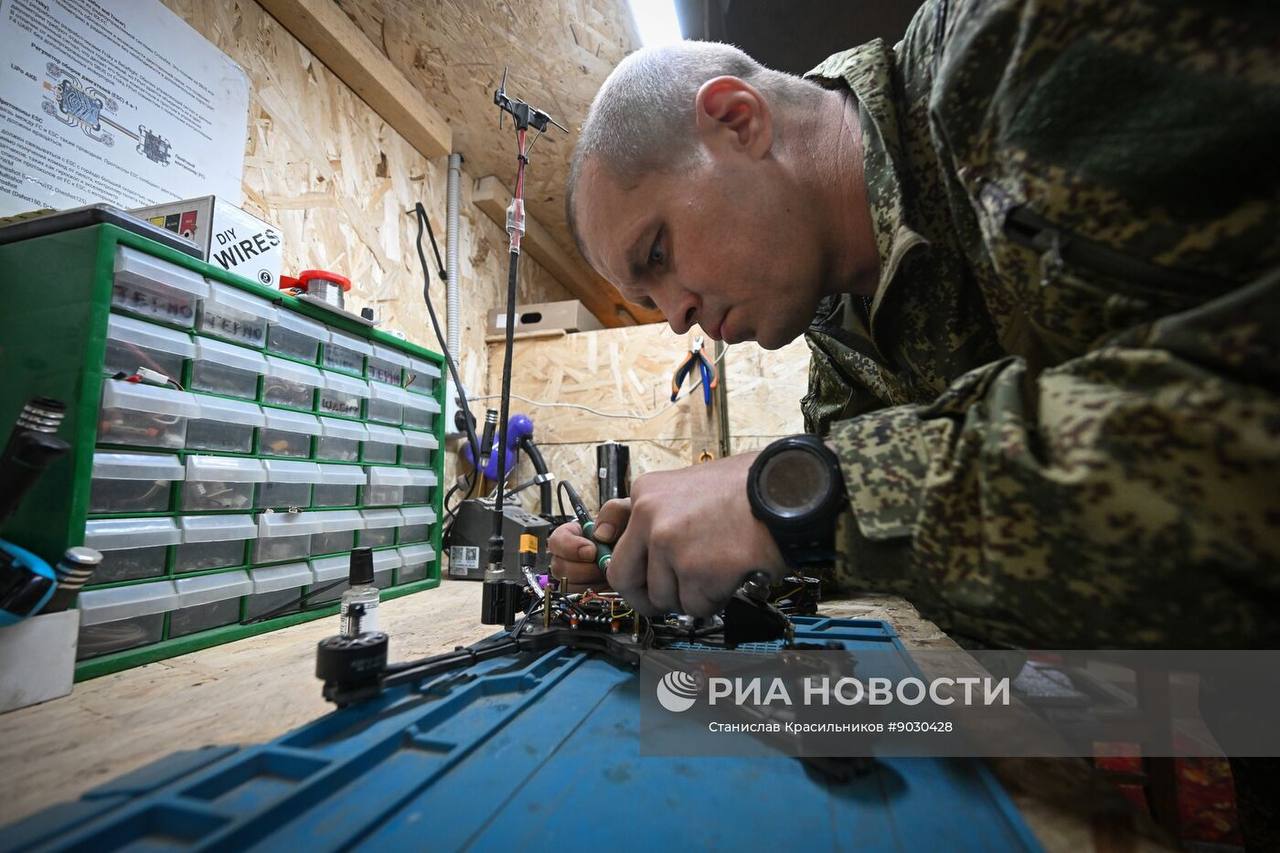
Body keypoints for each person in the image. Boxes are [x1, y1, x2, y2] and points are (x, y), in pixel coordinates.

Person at [549, 1, 1280, 843]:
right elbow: (849, 556)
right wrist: (662, 555)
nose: (675, 316)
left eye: (657, 255)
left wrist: (805, 495)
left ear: (736, 120)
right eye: (647, 298)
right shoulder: (844, 343)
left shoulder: (1017, 46)